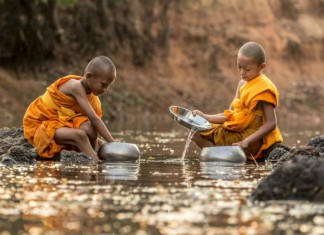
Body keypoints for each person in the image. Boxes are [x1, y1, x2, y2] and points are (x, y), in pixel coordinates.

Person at [192, 42, 283, 160]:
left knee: (205, 135)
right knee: (196, 133)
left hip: (252, 139)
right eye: (239, 67)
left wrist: (247, 141)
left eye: (247, 69)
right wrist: (205, 117)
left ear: (262, 67)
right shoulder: (241, 84)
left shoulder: (264, 88)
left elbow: (271, 123)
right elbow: (230, 115)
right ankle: (221, 157)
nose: (242, 72)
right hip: (237, 130)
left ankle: (220, 158)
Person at [23, 56, 116, 162]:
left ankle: (93, 151)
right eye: (103, 84)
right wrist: (115, 145)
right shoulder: (75, 86)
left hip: (62, 122)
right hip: (41, 122)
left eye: (108, 86)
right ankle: (96, 161)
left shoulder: (92, 97)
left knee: (91, 129)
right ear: (89, 76)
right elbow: (94, 119)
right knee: (80, 135)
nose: (105, 89)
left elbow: (92, 125)